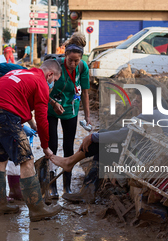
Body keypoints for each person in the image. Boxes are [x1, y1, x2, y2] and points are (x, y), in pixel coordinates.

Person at [51, 84, 168, 203]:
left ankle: (73, 167)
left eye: (138, 101)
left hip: (143, 164)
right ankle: (72, 166)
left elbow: (121, 135)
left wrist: (92, 136)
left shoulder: (149, 114)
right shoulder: (159, 113)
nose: (136, 104)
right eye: (135, 101)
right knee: (103, 137)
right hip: (148, 159)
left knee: (101, 144)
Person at [0, 59, 62, 221]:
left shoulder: (21, 73)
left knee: (1, 159)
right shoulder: (41, 83)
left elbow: (15, 98)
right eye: (54, 81)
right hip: (5, 115)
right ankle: (37, 208)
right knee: (27, 160)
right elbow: (43, 119)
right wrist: (45, 147)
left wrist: (31, 123)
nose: (52, 84)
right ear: (50, 74)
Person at [47, 32, 91, 199]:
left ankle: (67, 187)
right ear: (65, 55)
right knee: (52, 146)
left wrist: (87, 116)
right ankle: (52, 186)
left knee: (68, 147)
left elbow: (85, 93)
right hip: (51, 109)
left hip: (71, 110)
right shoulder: (55, 66)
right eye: (70, 60)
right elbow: (43, 90)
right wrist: (53, 103)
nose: (73, 63)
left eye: (76, 60)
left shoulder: (82, 68)